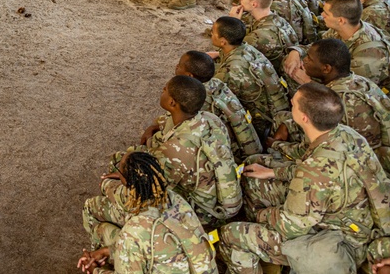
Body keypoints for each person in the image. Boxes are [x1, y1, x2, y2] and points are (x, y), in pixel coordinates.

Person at [219, 82, 390, 274]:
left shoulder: (313, 171)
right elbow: (314, 166)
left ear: (304, 118)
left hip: (337, 241)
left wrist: (261, 214)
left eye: (294, 104)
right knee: (257, 177)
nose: (290, 103)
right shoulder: (347, 135)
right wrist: (273, 172)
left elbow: (291, 227)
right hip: (358, 221)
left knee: (231, 235)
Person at [113, 75, 242, 225]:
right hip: (213, 195)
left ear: (172, 102)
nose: (163, 90)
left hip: (202, 213)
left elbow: (146, 188)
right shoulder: (209, 118)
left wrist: (114, 182)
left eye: (165, 89)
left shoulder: (173, 151)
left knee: (123, 161)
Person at [277, 39, 390, 185]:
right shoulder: (359, 81)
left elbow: (312, 149)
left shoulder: (334, 102)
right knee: (285, 119)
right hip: (377, 150)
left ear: (326, 68)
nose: (304, 61)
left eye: (309, 59)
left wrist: (278, 146)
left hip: (356, 170)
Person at [78, 150, 217, 274]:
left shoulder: (133, 232)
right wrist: (110, 252)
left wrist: (95, 270)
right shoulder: (176, 201)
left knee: (102, 230)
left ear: (126, 183)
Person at [284, 0, 390, 98]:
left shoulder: (368, 56)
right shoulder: (344, 29)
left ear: (341, 20)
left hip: (372, 94)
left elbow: (348, 92)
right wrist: (296, 51)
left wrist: (307, 82)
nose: (322, 15)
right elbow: (319, 48)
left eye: (326, 13)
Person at [209, 16, 290, 137]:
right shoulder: (249, 49)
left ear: (223, 41)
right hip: (275, 110)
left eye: (213, 32)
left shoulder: (229, 71)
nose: (211, 33)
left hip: (260, 125)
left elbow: (223, 101)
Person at [176, 50, 263, 160]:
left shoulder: (194, 99)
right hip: (243, 145)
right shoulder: (217, 84)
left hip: (227, 154)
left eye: (179, 66)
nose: (176, 67)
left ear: (190, 76)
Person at [232, 0, 298, 72]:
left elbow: (232, 53)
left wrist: (234, 23)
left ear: (254, 4)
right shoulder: (278, 19)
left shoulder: (259, 37)